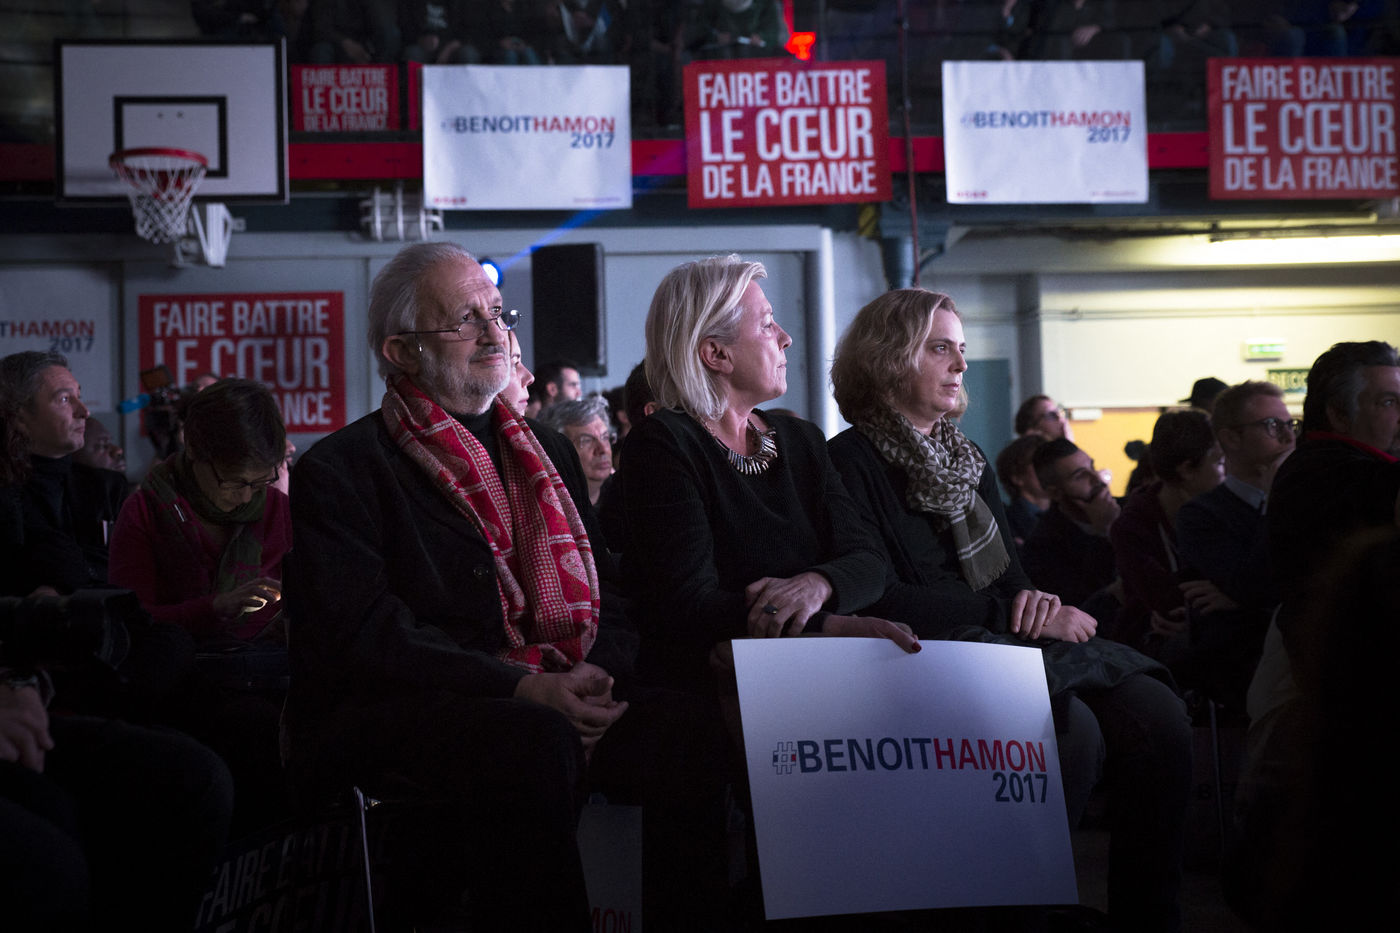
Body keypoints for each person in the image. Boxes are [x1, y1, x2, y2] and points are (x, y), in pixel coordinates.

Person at [826, 288, 1190, 933]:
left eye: (962, 348)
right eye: (940, 348)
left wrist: (1038, 604)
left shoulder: (967, 460)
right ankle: (1019, 910)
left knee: (1160, 713)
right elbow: (879, 594)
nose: (961, 364)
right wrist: (1015, 616)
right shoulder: (846, 461)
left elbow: (1013, 580)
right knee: (1069, 729)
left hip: (1000, 635)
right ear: (888, 359)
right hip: (924, 649)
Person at [284, 242, 624, 930]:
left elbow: (606, 589)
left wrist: (601, 676)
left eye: (498, 313)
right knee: (535, 742)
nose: (495, 333)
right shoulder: (342, 470)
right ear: (403, 351)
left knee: (693, 724)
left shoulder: (549, 449)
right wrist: (524, 687)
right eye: (465, 320)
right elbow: (369, 635)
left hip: (556, 681)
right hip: (408, 705)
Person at [109, 379, 289, 642]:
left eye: (260, 482)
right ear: (193, 448)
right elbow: (128, 621)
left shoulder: (278, 509)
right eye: (234, 481)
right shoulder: (145, 512)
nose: (247, 496)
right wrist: (212, 608)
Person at [1175, 381, 1294, 709]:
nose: (1288, 436)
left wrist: (1240, 601)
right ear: (1231, 438)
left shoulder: (1308, 500)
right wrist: (1274, 500)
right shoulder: (1200, 515)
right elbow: (1253, 584)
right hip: (1243, 665)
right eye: (1273, 425)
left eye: (1290, 424)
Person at [1110, 408, 1224, 662]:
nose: (1226, 471)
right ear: (1186, 469)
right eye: (1218, 462)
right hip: (1148, 646)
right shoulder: (1132, 526)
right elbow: (1169, 605)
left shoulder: (1222, 509)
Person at [1021, 437, 1122, 621]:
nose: (1097, 479)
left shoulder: (1131, 509)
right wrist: (1104, 532)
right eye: (1080, 475)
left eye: (1092, 466)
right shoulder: (1042, 547)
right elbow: (1082, 610)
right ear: (1055, 493)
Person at [537, 395, 614, 505]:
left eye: (605, 437)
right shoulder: (548, 503)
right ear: (559, 450)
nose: (603, 449)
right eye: (586, 440)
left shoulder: (624, 493)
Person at [994, 433, 1048, 546]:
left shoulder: (1068, 513)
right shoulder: (1005, 523)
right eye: (1039, 463)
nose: (1050, 469)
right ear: (1017, 477)